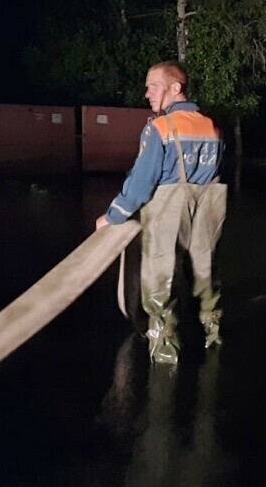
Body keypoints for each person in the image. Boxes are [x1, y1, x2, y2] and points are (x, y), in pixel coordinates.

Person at [95, 61, 227, 364]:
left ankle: (165, 356)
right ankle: (213, 339)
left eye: (153, 86)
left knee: (160, 278)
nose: (147, 94)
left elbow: (141, 184)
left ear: (175, 88)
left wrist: (113, 215)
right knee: (205, 273)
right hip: (208, 209)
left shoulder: (160, 127)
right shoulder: (212, 126)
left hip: (169, 213)